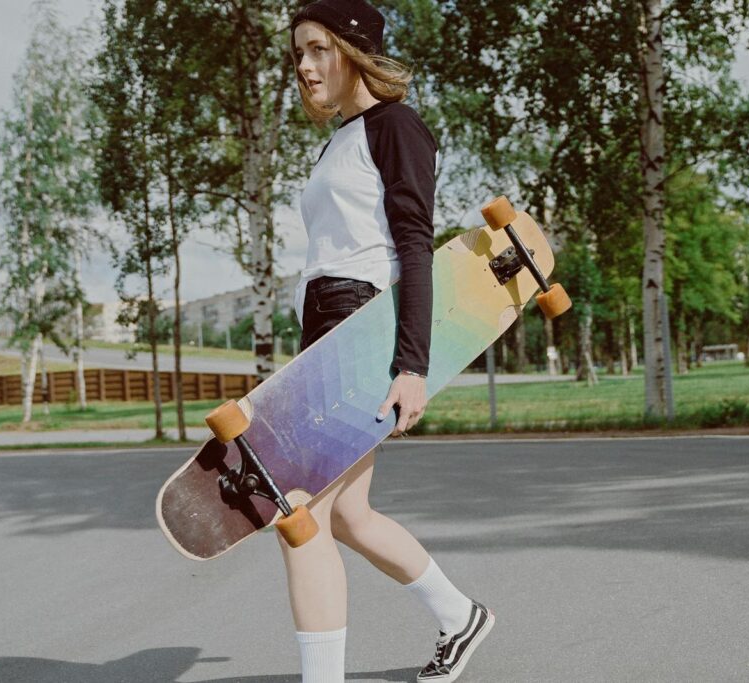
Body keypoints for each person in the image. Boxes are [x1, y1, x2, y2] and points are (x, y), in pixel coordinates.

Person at [283, 1, 494, 682]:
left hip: (358, 324)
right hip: (326, 326)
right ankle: (460, 615)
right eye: (298, 53)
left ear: (354, 51)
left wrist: (412, 365)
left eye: (318, 49)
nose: (304, 65)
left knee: (301, 510)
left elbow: (413, 248)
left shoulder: (397, 127)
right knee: (346, 513)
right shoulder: (341, 139)